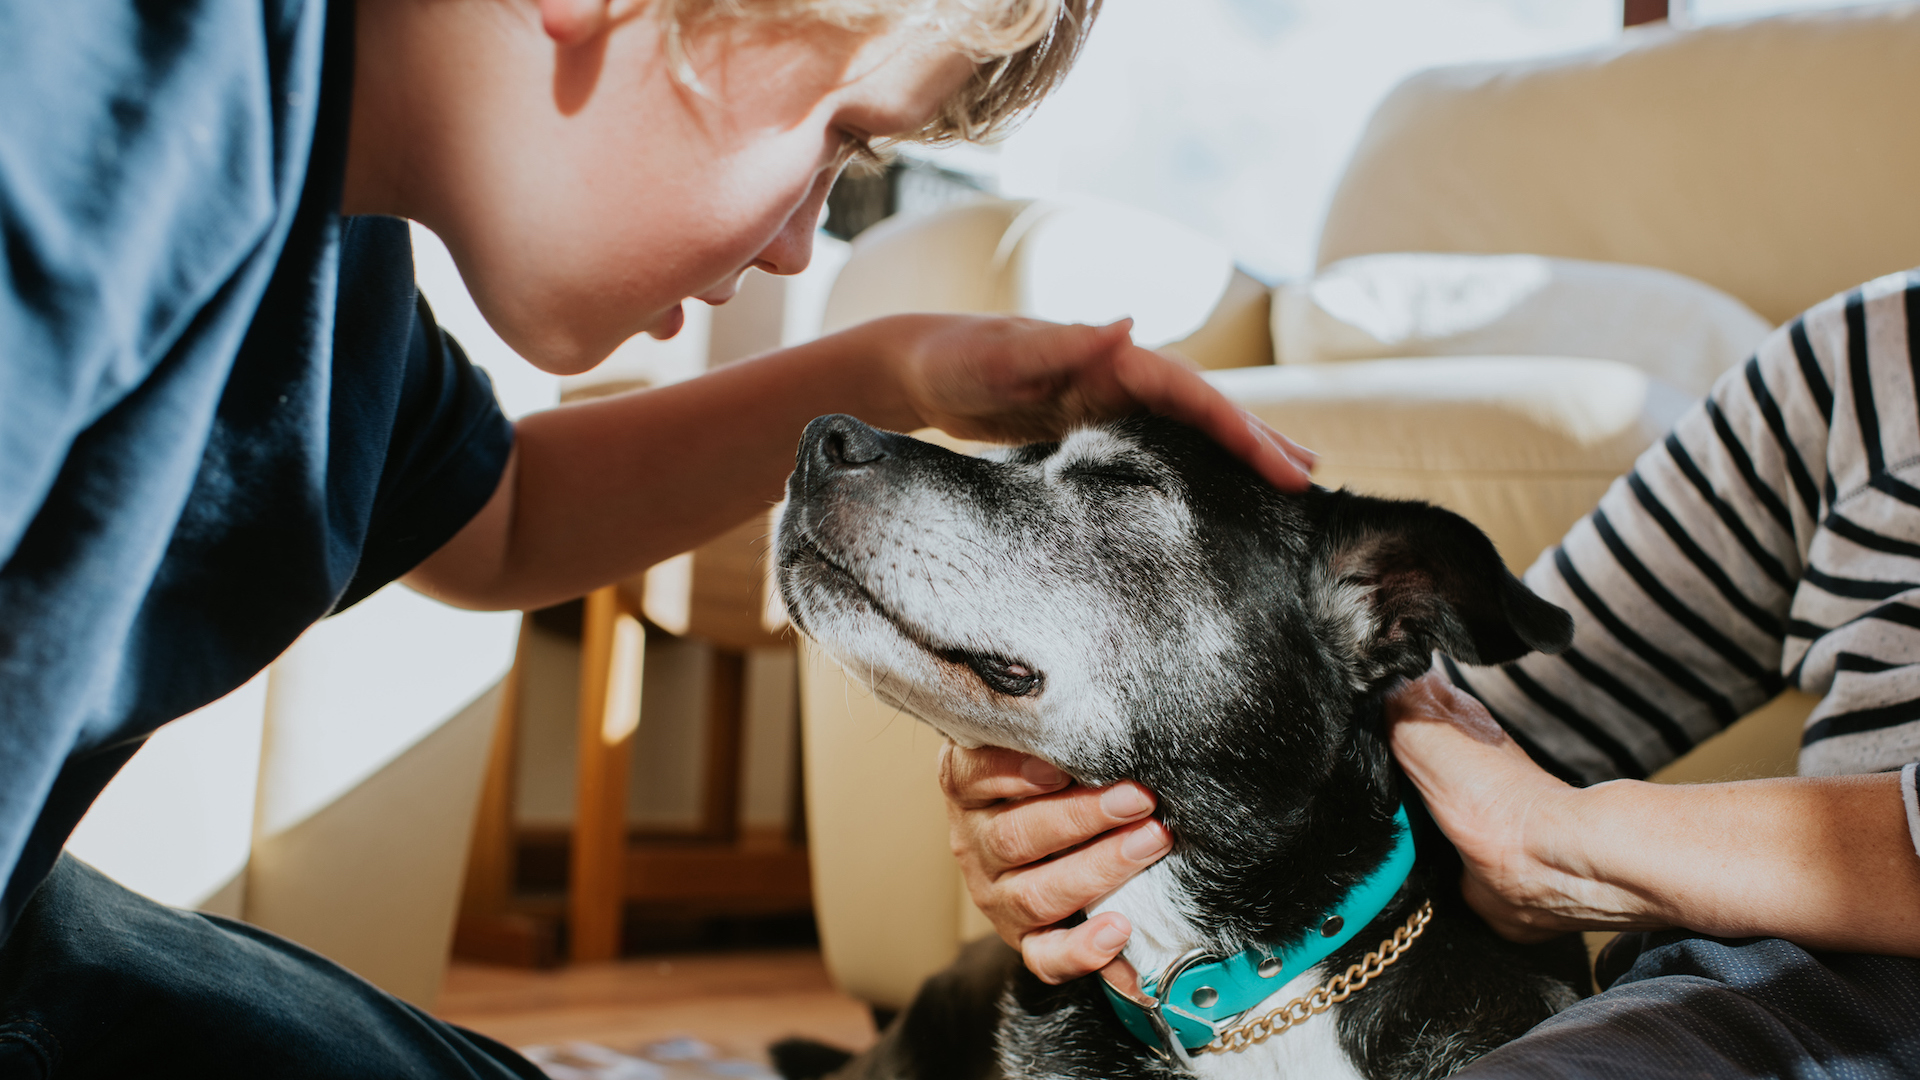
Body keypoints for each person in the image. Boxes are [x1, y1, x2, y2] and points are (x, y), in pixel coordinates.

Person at [0, 0, 1318, 1075]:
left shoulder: (341, 285)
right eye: (839, 135)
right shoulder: (86, 100)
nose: (806, 244)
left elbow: (506, 522)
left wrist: (906, 369)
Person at [944, 270, 1920, 1076]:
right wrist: (1068, 818)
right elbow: (1478, 734)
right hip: (1779, 977)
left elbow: (1523, 828)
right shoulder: (1860, 365)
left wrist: (1568, 840)